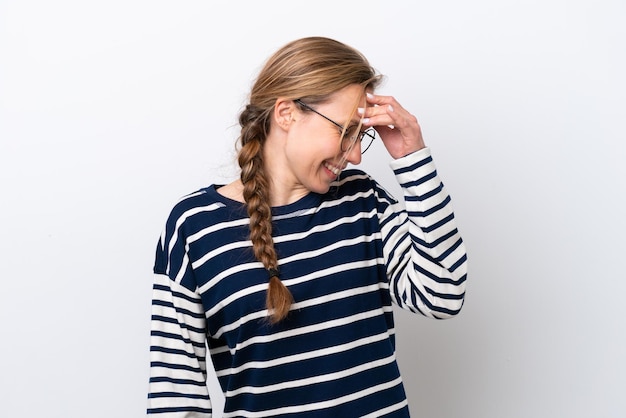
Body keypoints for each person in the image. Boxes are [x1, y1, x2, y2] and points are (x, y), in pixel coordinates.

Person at [147, 36, 467, 417]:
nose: (356, 154)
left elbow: (443, 294)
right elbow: (176, 396)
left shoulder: (363, 201)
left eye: (360, 135)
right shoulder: (193, 227)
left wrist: (412, 159)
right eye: (345, 131)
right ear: (286, 113)